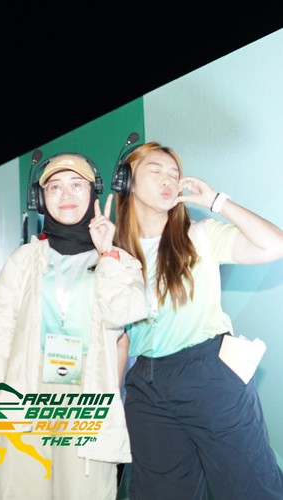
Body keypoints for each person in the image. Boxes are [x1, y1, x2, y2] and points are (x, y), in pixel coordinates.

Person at [0, 153, 148, 500]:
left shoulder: (118, 261)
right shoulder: (22, 261)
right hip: (21, 402)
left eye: (77, 185)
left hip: (86, 406)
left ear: (93, 193)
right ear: (40, 198)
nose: (66, 195)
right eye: (55, 187)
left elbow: (122, 312)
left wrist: (108, 253)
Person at [113, 141, 283, 499]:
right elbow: (119, 336)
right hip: (145, 384)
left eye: (173, 173)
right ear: (127, 182)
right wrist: (113, 396)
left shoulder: (200, 235)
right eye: (155, 170)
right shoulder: (116, 253)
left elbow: (274, 245)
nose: (167, 179)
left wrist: (217, 202)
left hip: (209, 372)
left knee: (249, 487)